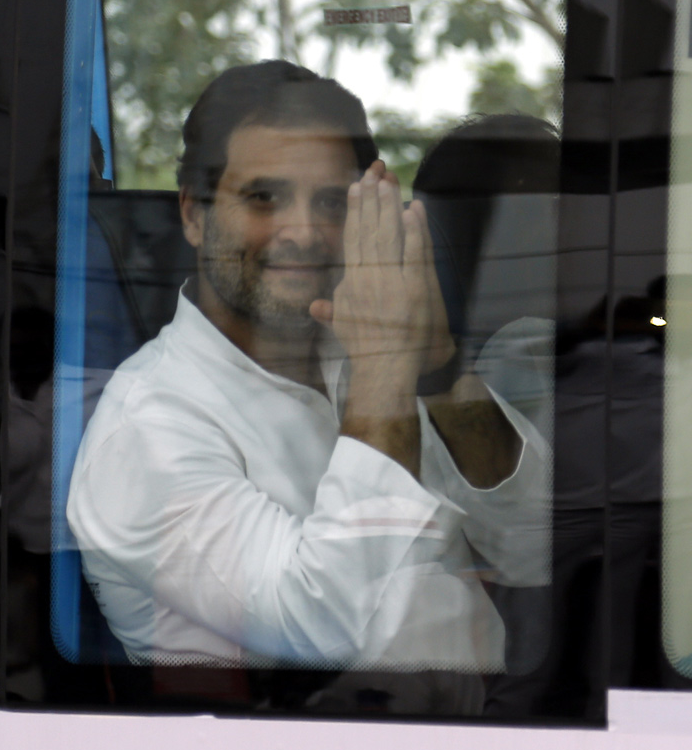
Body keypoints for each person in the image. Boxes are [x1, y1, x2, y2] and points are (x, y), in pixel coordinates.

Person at [66, 61, 550, 676]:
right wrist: (386, 369)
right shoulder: (146, 427)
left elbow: (536, 545)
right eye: (263, 197)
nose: (306, 232)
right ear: (193, 214)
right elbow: (326, 628)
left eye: (332, 202)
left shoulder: (364, 347)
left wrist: (435, 370)